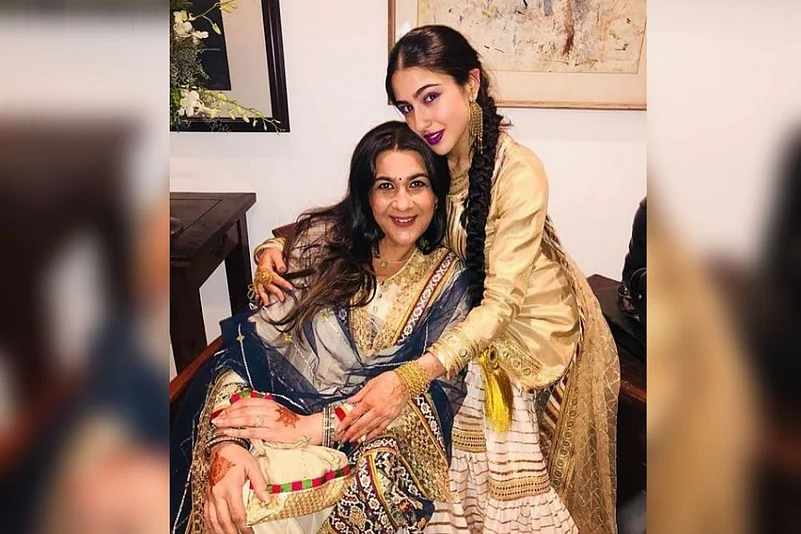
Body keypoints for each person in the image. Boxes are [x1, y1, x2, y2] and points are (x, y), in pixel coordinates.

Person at [254, 25, 621, 533]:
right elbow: (359, 209)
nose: (420, 120)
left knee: (496, 473)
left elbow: (501, 306)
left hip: (527, 333)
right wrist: (273, 249)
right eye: (406, 107)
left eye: (430, 97)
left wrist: (411, 376)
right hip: (467, 320)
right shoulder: (437, 154)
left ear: (471, 84)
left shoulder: (518, 173)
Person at [170, 121, 473, 534]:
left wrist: (313, 428)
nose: (402, 203)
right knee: (228, 495)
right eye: (385, 186)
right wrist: (229, 442)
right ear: (366, 194)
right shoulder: (323, 244)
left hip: (362, 444)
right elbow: (251, 353)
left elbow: (434, 395)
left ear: (436, 193)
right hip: (270, 419)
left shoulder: (450, 282)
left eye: (416, 184)